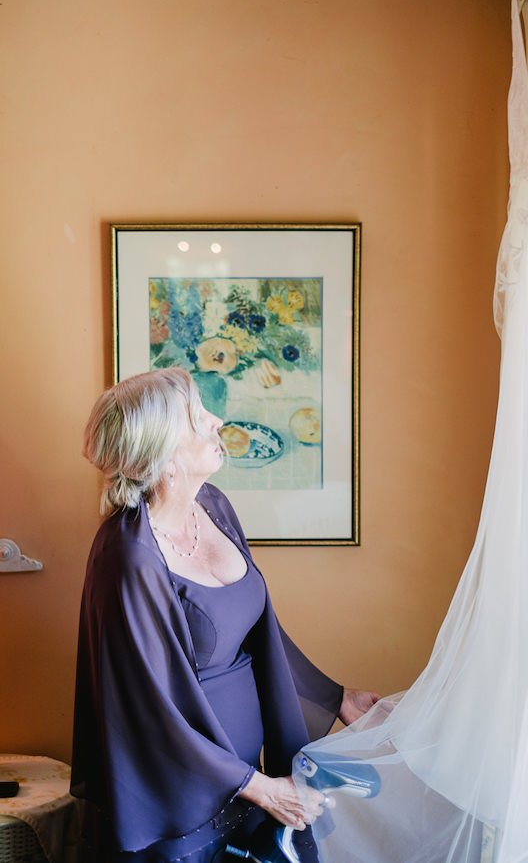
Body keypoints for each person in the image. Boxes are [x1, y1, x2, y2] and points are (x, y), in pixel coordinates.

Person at [72, 367, 380, 862]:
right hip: (178, 807)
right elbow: (147, 711)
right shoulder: (128, 558)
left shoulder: (213, 505)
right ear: (165, 456)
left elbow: (259, 633)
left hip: (247, 781)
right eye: (197, 416)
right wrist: (258, 787)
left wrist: (335, 697)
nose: (216, 419)